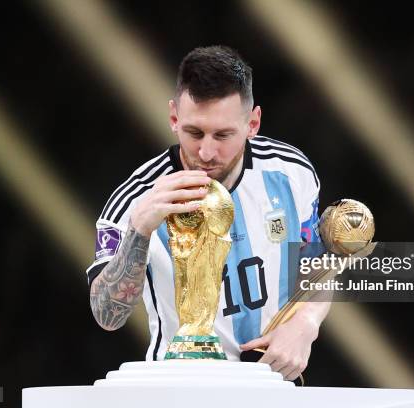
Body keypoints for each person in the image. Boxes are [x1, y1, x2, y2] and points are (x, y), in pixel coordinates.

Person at [87, 45, 330, 381]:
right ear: (174, 118)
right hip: (177, 390)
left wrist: (307, 322)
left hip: (273, 388)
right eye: (194, 132)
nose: (206, 151)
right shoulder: (135, 199)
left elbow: (318, 263)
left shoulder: (292, 172)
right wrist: (139, 230)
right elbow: (107, 315)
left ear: (253, 123)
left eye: (223, 135)